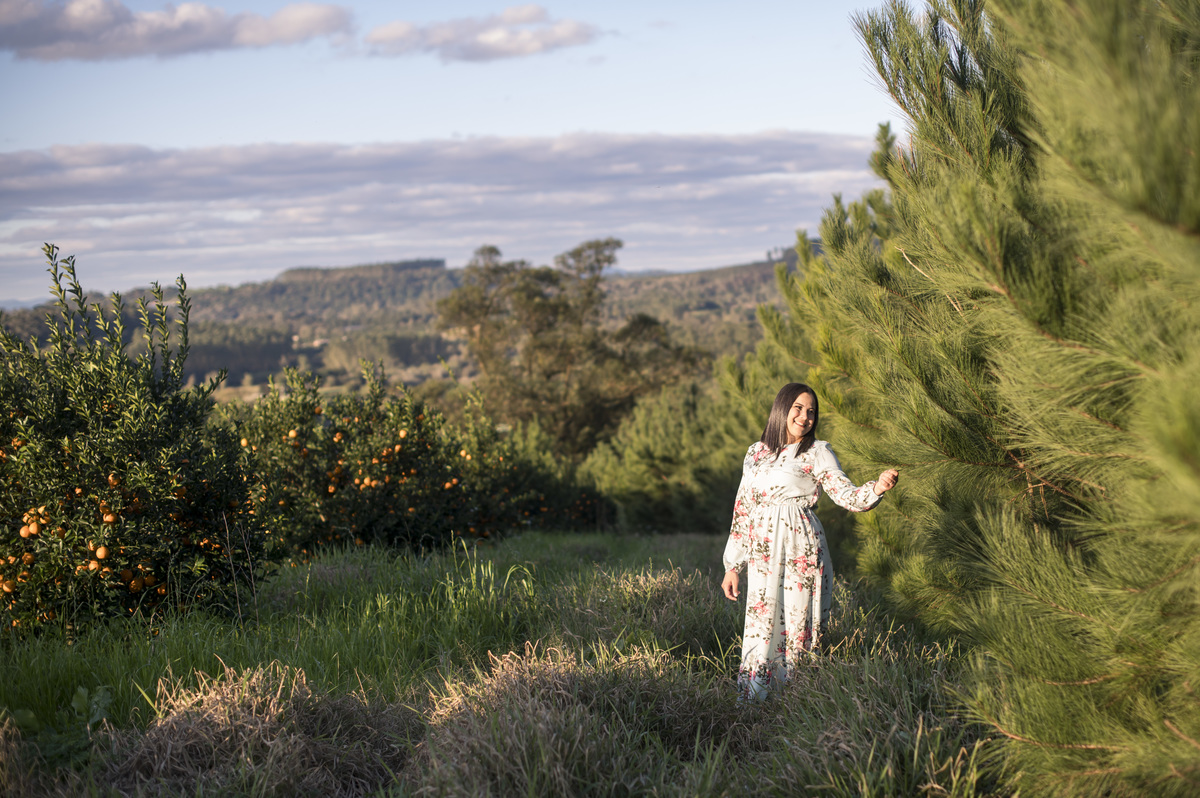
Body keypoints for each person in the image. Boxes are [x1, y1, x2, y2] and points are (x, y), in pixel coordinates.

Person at [720, 383, 898, 701]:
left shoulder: (818, 452)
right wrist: (733, 565)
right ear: (782, 408)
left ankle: (798, 702)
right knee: (763, 623)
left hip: (801, 547)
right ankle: (755, 702)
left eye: (812, 411)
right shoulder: (755, 452)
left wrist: (877, 488)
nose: (805, 417)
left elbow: (846, 494)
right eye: (799, 408)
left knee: (798, 627)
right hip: (762, 551)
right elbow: (743, 507)